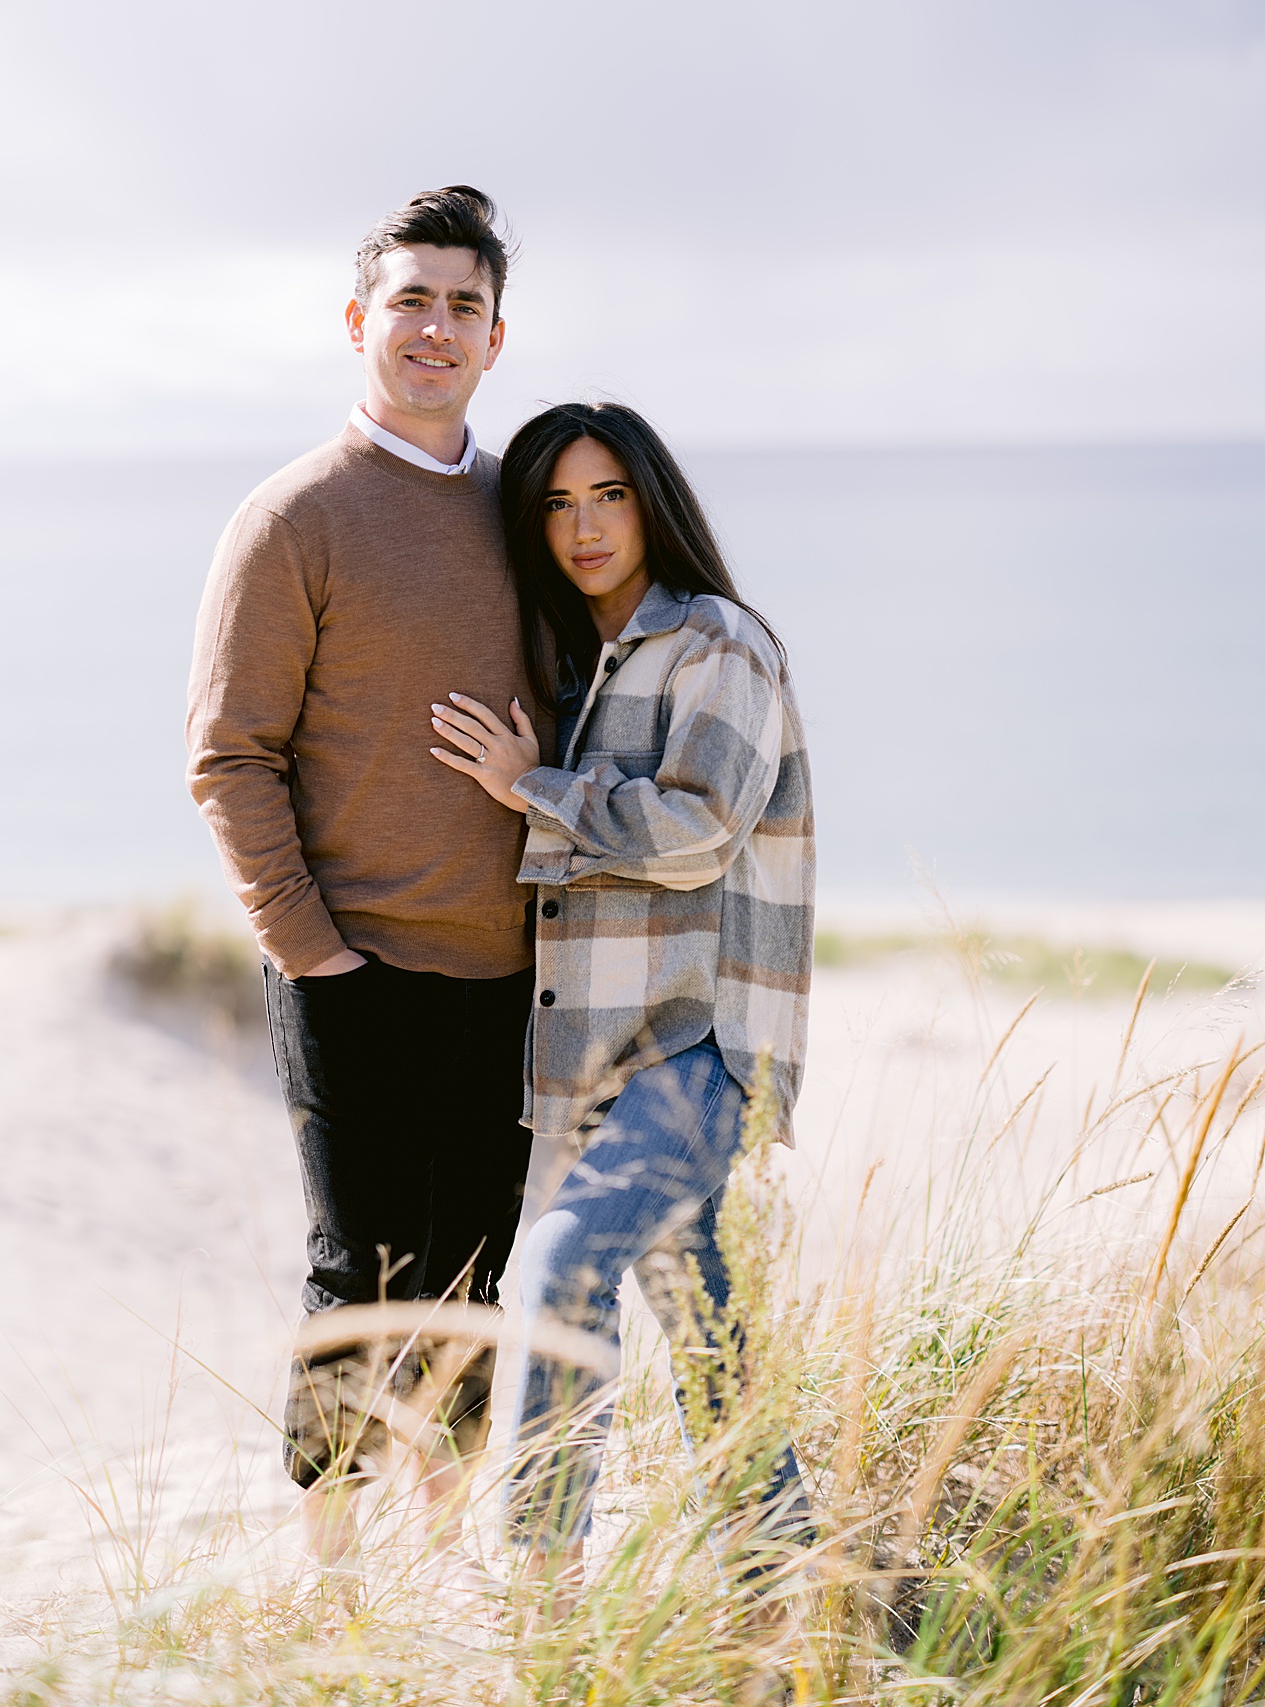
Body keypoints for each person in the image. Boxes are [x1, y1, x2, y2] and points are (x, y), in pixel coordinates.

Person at [185, 186, 541, 1572]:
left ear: (496, 338)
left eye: (463, 303)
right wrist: (314, 950)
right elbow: (229, 756)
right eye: (412, 299)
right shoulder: (293, 517)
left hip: (509, 973)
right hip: (352, 971)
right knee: (361, 1276)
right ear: (359, 322)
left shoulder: (523, 512)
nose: (436, 326)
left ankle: (440, 1566)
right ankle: (334, 1576)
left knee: (471, 1287)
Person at [428, 401, 815, 1609]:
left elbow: (698, 829)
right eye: (554, 503)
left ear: (652, 503)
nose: (583, 527)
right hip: (589, 1063)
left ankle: (542, 1597)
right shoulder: (564, 663)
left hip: (700, 1046)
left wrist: (528, 788)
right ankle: (785, 1598)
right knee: (709, 1346)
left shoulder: (718, 645)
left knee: (552, 1282)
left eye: (608, 497)